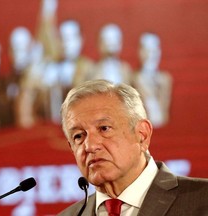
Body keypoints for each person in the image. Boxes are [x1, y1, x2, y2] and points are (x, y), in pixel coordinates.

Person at [58, 79, 208, 215]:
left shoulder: (202, 200)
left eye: (104, 128)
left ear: (142, 134)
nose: (90, 146)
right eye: (78, 136)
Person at [132, 32, 173, 128]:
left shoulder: (165, 79)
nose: (150, 55)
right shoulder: (134, 78)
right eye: (146, 51)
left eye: (153, 51)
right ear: (140, 52)